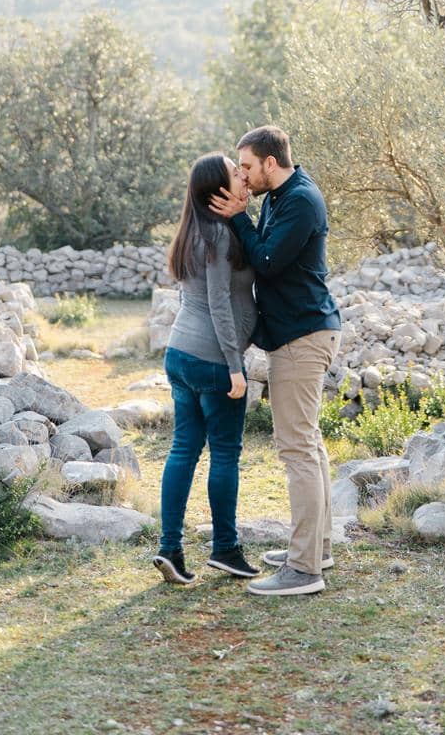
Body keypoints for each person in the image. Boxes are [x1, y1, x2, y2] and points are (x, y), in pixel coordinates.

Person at [210, 125, 342, 597]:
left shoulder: (301, 201)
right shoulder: (279, 199)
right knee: (310, 444)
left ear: (270, 162)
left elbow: (266, 260)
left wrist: (239, 218)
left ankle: (304, 570)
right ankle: (316, 547)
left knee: (296, 450)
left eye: (246, 166)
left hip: (303, 337)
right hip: (299, 333)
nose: (242, 176)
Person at [153, 152, 261, 586]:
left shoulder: (193, 230)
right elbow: (218, 304)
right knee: (225, 453)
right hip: (213, 361)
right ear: (219, 189)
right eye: (236, 173)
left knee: (183, 450)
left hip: (179, 352)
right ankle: (226, 549)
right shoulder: (217, 234)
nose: (242, 176)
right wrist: (236, 368)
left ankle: (170, 549)